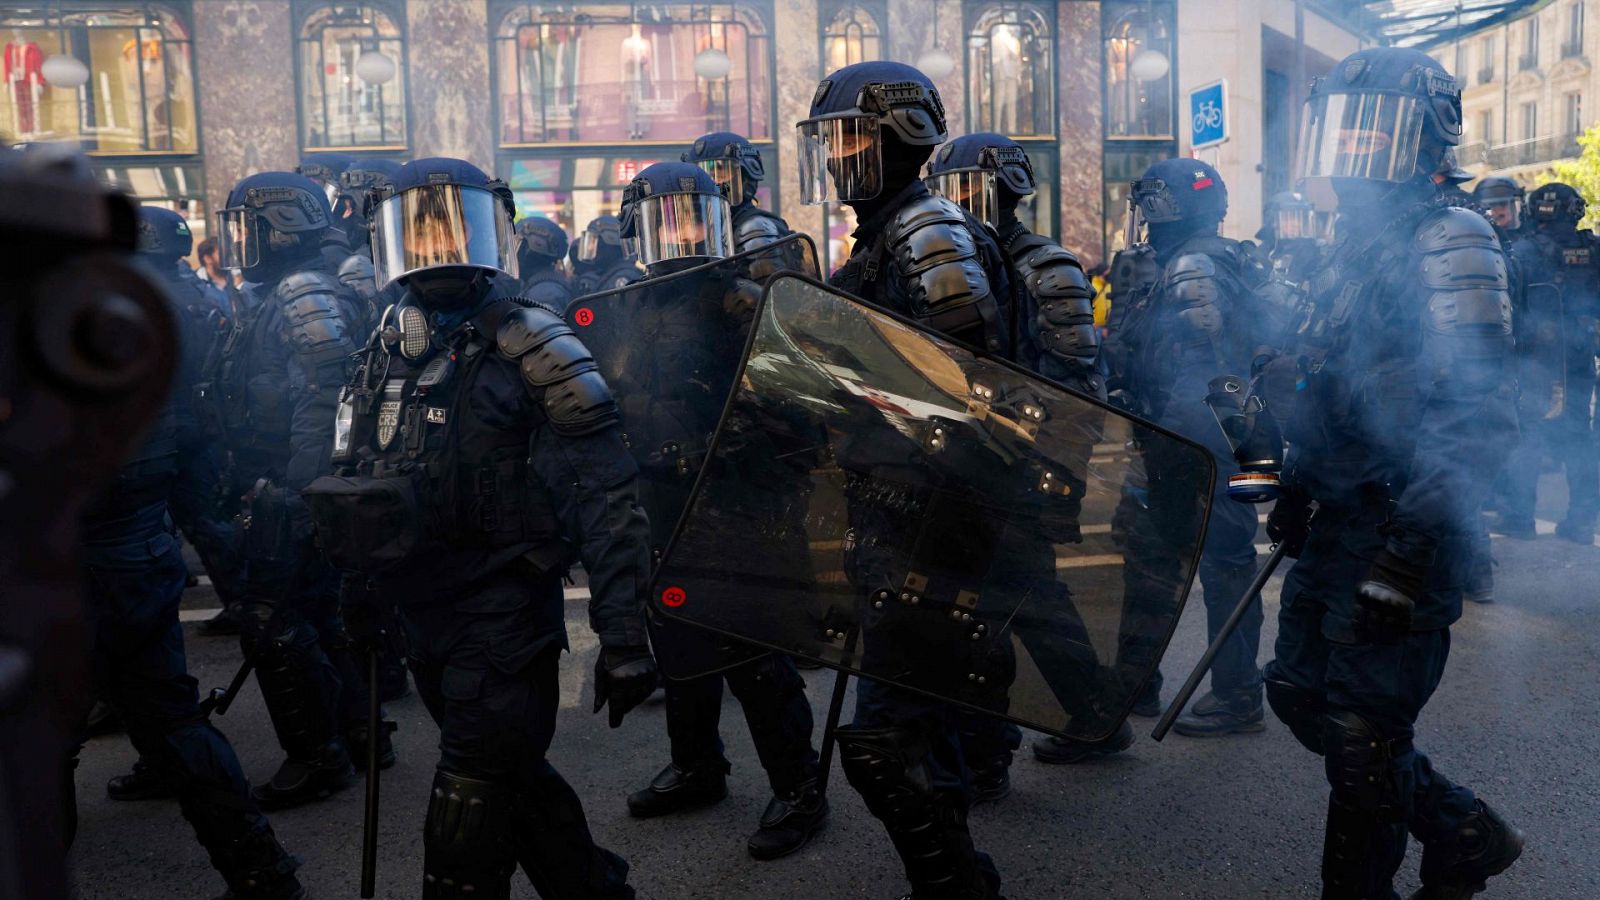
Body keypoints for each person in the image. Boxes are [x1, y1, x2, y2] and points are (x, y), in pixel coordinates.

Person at [304, 157, 655, 899]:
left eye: (451, 226)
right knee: (516, 785)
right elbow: (359, 469)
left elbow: (607, 496)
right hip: (422, 609)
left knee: (465, 822)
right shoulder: (388, 342)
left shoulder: (534, 343)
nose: (435, 250)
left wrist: (624, 636)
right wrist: (358, 595)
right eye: (417, 230)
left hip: (502, 620)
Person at [1265, 47, 1523, 898]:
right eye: (1346, 127)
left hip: (1405, 524)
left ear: (1427, 137)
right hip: (1338, 519)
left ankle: (1425, 860)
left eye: (1376, 127)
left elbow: (1478, 417)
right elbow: (1323, 381)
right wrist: (1296, 482)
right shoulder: (1347, 249)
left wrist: (1409, 551)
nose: (1355, 148)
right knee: (1299, 692)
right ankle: (1462, 827)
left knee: (1363, 743)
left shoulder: (1452, 237)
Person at [799, 59, 1012, 899]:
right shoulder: (885, 235)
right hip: (896, 515)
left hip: (936, 521)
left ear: (904, 138)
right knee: (926, 732)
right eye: (834, 140)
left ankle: (959, 885)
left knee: (885, 744)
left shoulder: (928, 234)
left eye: (854, 136)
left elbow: (965, 392)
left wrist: (841, 388)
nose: (840, 156)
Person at [78, 207, 310, 900]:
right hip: (144, 520)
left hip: (83, 542)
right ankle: (262, 871)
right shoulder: (139, 299)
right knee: (170, 714)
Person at [610, 161, 827, 859]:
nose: (677, 238)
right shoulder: (628, 306)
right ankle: (699, 767)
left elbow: (800, 416)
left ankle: (800, 789)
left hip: (736, 502)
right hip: (661, 503)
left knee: (754, 654)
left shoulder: (746, 302)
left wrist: (721, 449)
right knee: (678, 640)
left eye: (689, 219)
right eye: (661, 221)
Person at [923, 130, 1103, 784]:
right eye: (949, 193)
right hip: (963, 461)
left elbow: (1078, 385)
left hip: (1018, 464)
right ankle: (1090, 712)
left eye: (973, 191)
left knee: (1003, 602)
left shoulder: (1045, 267)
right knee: (1018, 599)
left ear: (1010, 192)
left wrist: (1058, 481)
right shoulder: (944, 263)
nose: (960, 206)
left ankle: (991, 750)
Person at [203, 170, 385, 809]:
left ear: (281, 226)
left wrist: (301, 492)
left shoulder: (304, 292)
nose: (241, 241)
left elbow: (323, 400)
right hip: (288, 477)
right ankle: (360, 734)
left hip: (294, 480)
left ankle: (318, 755)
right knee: (314, 610)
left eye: (250, 227)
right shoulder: (282, 290)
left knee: (271, 618)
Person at [1477, 176, 1559, 541]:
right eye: (1492, 207)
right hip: (1495, 359)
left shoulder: (1531, 250)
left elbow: (1545, 311)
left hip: (1526, 359)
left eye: (1504, 206)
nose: (1499, 213)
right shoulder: (1479, 246)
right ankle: (1504, 507)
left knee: (1525, 437)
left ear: (1516, 207)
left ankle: (1519, 516)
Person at [1524, 182, 1600, 544]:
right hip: (1578, 359)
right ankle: (1582, 521)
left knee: (1527, 435)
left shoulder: (1523, 250)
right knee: (1577, 438)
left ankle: (1518, 516)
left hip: (1535, 361)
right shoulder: (1593, 248)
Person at [683, 131, 797, 281]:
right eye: (704, 174)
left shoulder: (756, 230)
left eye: (722, 170)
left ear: (746, 174)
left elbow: (771, 299)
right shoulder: (703, 230)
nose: (713, 181)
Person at [570, 213, 643, 295]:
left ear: (609, 242)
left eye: (593, 241)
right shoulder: (609, 272)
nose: (590, 247)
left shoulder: (624, 277)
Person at [515, 215, 573, 309]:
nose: (514, 253)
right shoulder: (539, 285)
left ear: (536, 247)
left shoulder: (545, 294)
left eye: (518, 244)